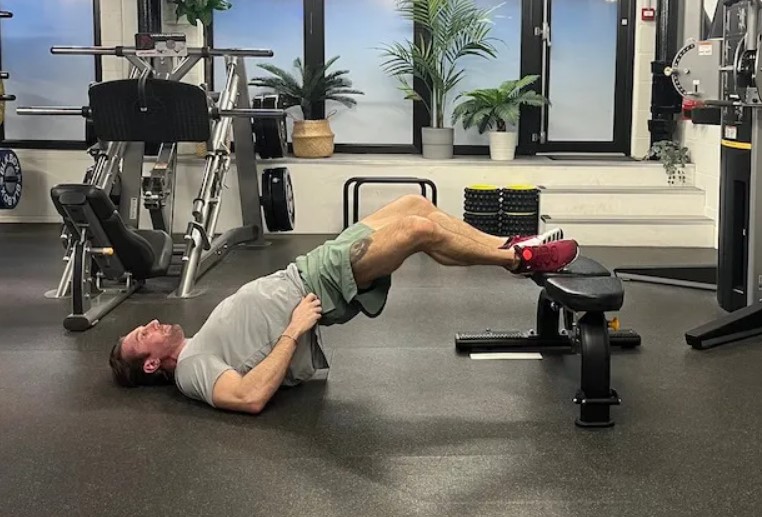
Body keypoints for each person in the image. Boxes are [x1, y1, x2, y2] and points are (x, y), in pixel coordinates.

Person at [109, 194, 579, 414]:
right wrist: (294, 328)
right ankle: (519, 260)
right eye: (141, 336)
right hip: (320, 283)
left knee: (416, 205)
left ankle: (512, 244)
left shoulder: (194, 344)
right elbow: (247, 398)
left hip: (309, 265)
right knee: (419, 232)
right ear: (151, 365)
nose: (149, 323)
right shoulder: (191, 372)